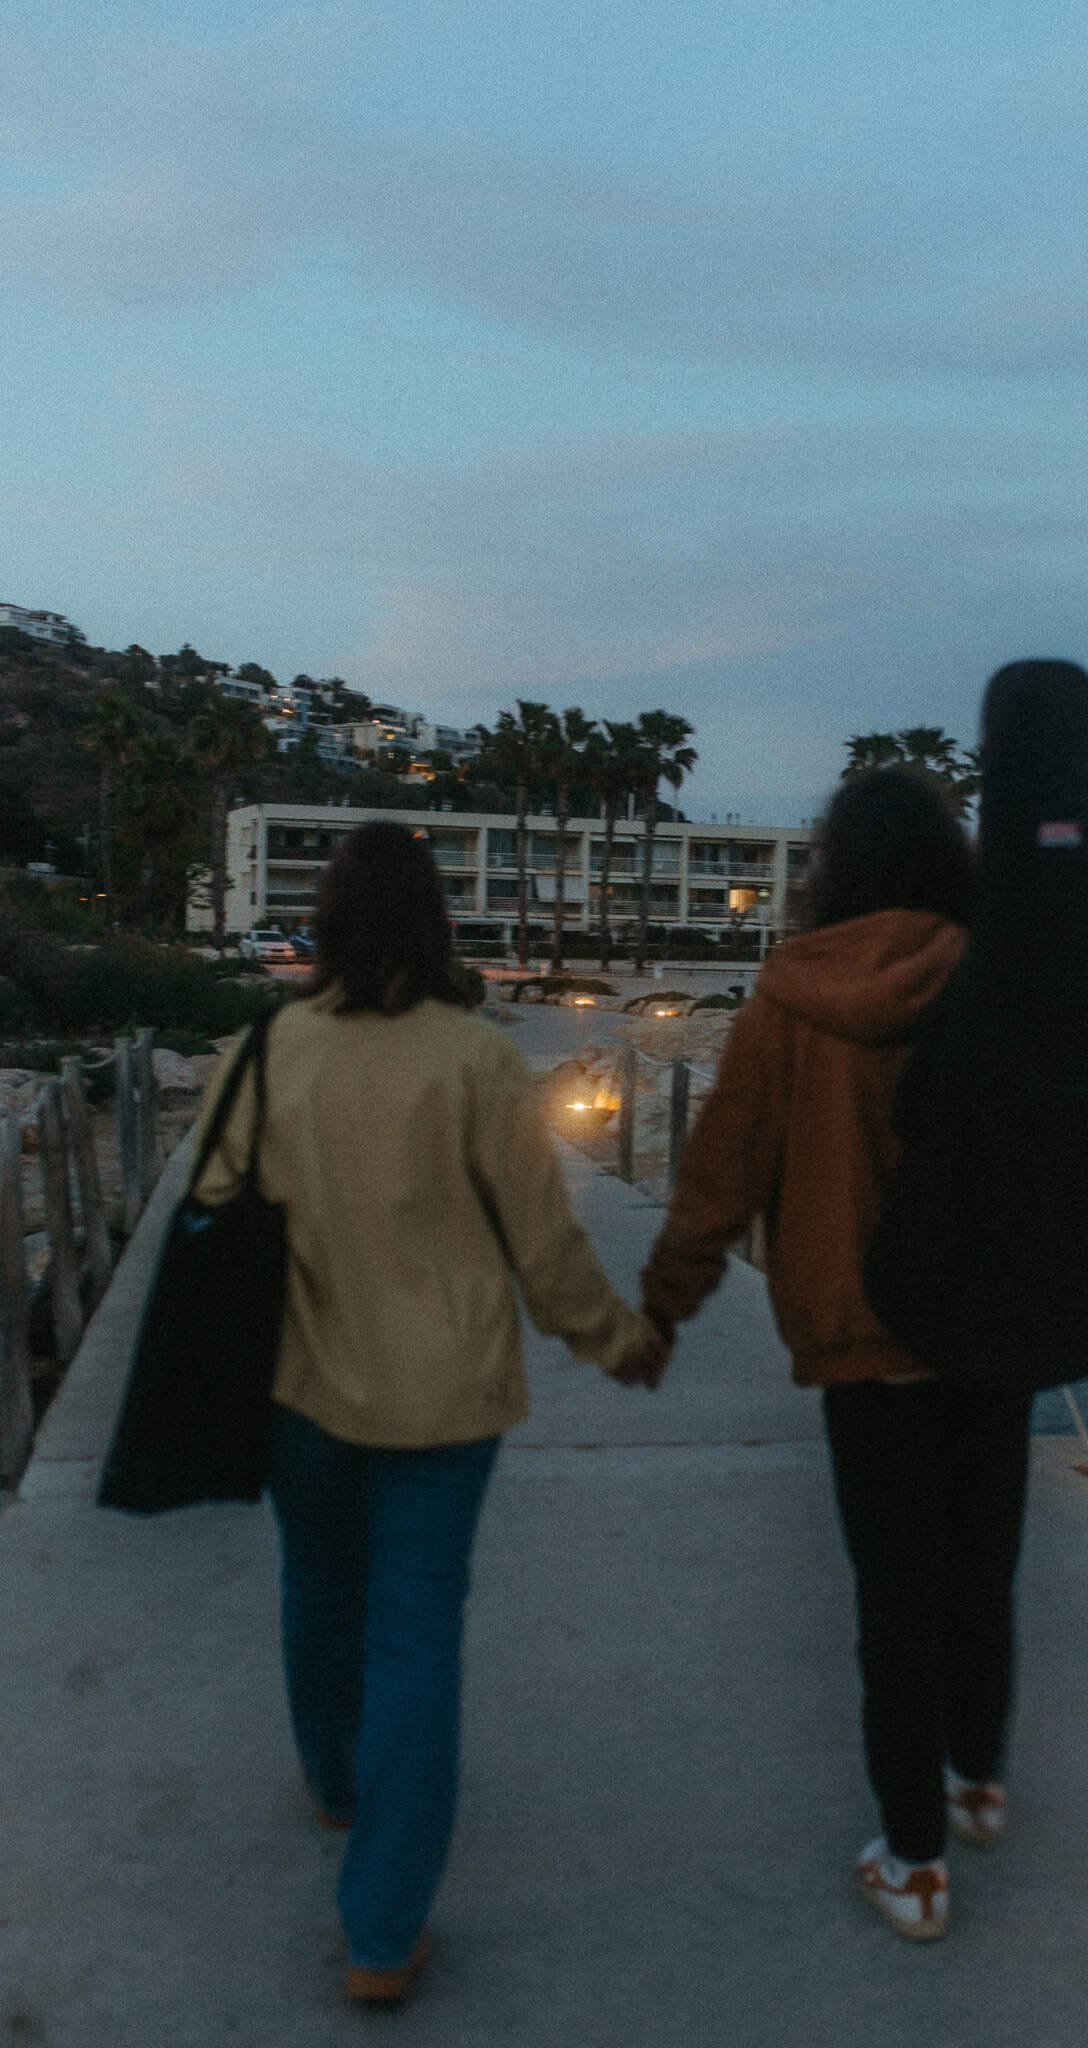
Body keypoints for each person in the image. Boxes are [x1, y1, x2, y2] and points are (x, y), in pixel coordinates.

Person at [195, 823, 662, 2004]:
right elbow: (543, 1244)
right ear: (438, 925)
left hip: (301, 1386)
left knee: (317, 1586)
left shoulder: (269, 1050)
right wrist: (615, 1337)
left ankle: (335, 1781)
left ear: (327, 923)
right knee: (413, 1635)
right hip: (446, 1403)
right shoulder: (477, 1060)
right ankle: (382, 1931)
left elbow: (209, 1199)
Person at [635, 766, 1026, 1943]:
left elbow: (724, 1168)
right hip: (991, 1334)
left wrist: (666, 1300)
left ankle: (914, 1862)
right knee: (981, 1571)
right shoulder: (1002, 977)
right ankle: (976, 1782)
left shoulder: (793, 994)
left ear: (833, 868)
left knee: (895, 1599)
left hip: (864, 1343)